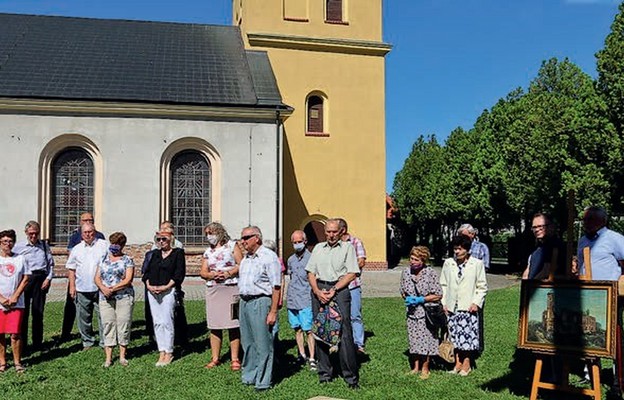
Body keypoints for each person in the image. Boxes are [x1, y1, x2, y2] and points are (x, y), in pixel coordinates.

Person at [306, 218, 360, 389]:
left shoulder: (347, 248)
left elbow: (352, 273)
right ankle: (324, 374)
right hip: (319, 289)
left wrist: (334, 290)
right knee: (321, 331)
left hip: (339, 289)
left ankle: (350, 377)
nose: (330, 235)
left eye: (334, 232)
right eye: (328, 231)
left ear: (341, 232)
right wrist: (317, 291)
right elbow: (311, 272)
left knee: (344, 332)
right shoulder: (318, 249)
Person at [576, 206, 624, 399]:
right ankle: (591, 376)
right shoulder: (581, 241)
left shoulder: (615, 238)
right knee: (590, 336)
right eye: (584, 219)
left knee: (614, 339)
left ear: (600, 220)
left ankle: (618, 381)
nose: (585, 222)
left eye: (588, 219)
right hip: (586, 296)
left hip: (610, 296)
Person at [237, 226, 281, 391]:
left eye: (246, 237)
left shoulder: (269, 257)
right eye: (242, 238)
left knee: (263, 344)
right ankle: (249, 376)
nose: (243, 241)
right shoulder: (246, 259)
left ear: (257, 238)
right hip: (245, 302)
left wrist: (273, 311)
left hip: (261, 302)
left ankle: (263, 381)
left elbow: (276, 286)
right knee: (248, 342)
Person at [440, 235, 488, 377]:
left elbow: (482, 286)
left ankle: (466, 365)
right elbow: (443, 284)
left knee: (467, 338)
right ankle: (457, 364)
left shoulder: (477, 264)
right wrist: (444, 303)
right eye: (455, 249)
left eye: (460, 249)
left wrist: (476, 303)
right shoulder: (448, 263)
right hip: (451, 307)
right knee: (455, 337)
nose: (457, 252)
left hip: (468, 307)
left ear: (467, 250)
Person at [200, 222, 242, 371]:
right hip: (214, 289)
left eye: (210, 233)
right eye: (206, 234)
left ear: (219, 232)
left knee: (233, 324)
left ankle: (235, 358)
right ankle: (215, 358)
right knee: (215, 325)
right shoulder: (208, 252)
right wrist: (211, 275)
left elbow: (241, 264)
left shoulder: (232, 246)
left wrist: (228, 273)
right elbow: (203, 272)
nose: (208, 237)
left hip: (230, 287)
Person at [142, 230, 185, 366]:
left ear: (171, 239)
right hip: (153, 291)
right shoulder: (154, 254)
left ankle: (169, 351)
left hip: (168, 291)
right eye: (158, 239)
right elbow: (146, 272)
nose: (161, 242)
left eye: (164, 239)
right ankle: (161, 350)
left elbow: (179, 273)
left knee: (167, 320)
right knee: (157, 321)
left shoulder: (177, 253)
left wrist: (166, 287)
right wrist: (149, 285)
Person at [61, 212, 105, 342]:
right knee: (83, 315)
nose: (88, 234)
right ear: (81, 233)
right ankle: (87, 340)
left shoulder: (103, 244)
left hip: (100, 287)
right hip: (82, 287)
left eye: (90, 231)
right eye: (85, 232)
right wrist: (72, 286)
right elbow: (71, 267)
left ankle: (104, 340)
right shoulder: (76, 247)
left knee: (103, 314)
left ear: (94, 231)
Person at [400, 246, 442, 378]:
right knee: (414, 340)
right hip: (412, 313)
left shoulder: (430, 273)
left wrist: (421, 299)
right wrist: (408, 299)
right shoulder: (406, 273)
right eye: (411, 258)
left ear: (423, 261)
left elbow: (438, 294)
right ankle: (415, 367)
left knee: (426, 340)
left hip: (426, 313)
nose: (412, 262)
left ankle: (425, 368)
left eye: (416, 259)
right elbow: (402, 290)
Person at [94, 232, 135, 367]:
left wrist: (113, 288)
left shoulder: (127, 260)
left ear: (122, 245)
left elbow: (128, 280)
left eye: (117, 244)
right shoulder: (103, 258)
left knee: (123, 324)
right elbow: (97, 277)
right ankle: (108, 358)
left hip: (123, 296)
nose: (114, 247)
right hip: (105, 297)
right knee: (108, 324)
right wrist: (103, 288)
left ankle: (123, 356)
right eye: (113, 244)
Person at [13, 221, 54, 352]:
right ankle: (23, 345)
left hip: (41, 279)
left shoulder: (44, 245)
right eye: (31, 233)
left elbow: (50, 264)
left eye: (36, 233)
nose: (33, 236)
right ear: (26, 233)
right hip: (25, 280)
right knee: (23, 313)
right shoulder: (18, 247)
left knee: (38, 312)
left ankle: (38, 343)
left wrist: (48, 278)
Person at [0, 229, 30, 373]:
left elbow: (25, 278)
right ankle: (2, 362)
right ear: (0, 243)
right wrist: (2, 299)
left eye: (10, 241)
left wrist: (15, 296)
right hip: (0, 302)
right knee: (0, 334)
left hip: (16, 302)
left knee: (15, 333)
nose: (8, 244)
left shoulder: (20, 258)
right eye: (5, 241)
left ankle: (17, 362)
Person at [286, 230, 316, 371]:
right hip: (292, 299)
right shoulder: (291, 260)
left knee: (308, 329)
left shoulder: (312, 258)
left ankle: (312, 357)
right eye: (294, 242)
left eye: (299, 242)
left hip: (306, 299)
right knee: (297, 328)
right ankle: (302, 354)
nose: (297, 244)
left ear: (305, 241)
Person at [337, 218, 367, 354]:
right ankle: (339, 341)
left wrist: (345, 267)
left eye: (335, 230)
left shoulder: (356, 242)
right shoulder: (335, 245)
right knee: (338, 316)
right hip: (337, 286)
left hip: (352, 285)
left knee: (355, 315)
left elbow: (361, 262)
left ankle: (358, 343)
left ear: (342, 230)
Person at [522, 213, 566, 280]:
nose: (537, 230)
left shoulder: (555, 246)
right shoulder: (538, 247)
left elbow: (546, 271)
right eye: (534, 227)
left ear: (551, 227)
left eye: (540, 226)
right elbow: (528, 269)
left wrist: (531, 284)